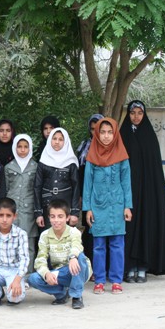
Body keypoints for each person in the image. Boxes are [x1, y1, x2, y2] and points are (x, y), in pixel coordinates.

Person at [120, 100, 165, 282]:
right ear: (128, 114)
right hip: (127, 192)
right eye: (132, 113)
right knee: (128, 227)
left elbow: (154, 169)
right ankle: (129, 267)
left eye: (139, 113)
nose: (136, 116)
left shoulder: (149, 136)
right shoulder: (122, 136)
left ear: (144, 114)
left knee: (145, 225)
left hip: (147, 192)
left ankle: (142, 267)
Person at [83, 118, 133, 295]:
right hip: (98, 206)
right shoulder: (92, 155)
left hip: (117, 206)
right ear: (97, 134)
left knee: (117, 244)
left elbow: (126, 182)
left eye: (110, 132)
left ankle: (116, 280)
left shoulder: (122, 155)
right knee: (98, 246)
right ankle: (99, 280)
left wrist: (127, 206)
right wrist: (88, 209)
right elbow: (87, 184)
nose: (106, 136)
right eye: (102, 132)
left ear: (115, 134)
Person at [28, 200, 91, 309]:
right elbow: (40, 260)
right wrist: (47, 274)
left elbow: (77, 246)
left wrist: (73, 257)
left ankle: (76, 296)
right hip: (60, 273)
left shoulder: (74, 232)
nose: (56, 220)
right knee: (33, 278)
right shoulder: (45, 235)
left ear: (67, 218)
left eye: (60, 216)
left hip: (79, 271)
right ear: (49, 217)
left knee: (80, 256)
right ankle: (62, 293)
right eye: (53, 217)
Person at [34, 127, 80, 231]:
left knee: (65, 237)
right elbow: (37, 187)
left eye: (60, 139)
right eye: (54, 138)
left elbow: (76, 187)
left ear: (66, 141)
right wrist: (38, 213)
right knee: (47, 237)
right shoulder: (43, 161)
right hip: (47, 207)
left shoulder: (71, 163)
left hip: (66, 208)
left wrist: (75, 212)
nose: (57, 142)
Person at [4, 134, 38, 274]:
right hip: (12, 209)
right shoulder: (9, 167)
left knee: (28, 242)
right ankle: (12, 273)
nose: (22, 150)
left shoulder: (35, 166)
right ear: (14, 148)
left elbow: (36, 188)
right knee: (12, 241)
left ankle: (28, 273)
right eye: (19, 147)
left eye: (25, 147)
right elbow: (7, 188)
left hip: (29, 209)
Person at [75, 114, 104, 270]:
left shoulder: (111, 148)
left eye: (99, 128)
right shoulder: (84, 147)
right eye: (93, 129)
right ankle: (89, 266)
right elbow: (79, 173)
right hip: (88, 195)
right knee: (90, 229)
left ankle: (102, 267)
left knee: (104, 230)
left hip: (105, 196)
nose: (96, 132)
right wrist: (80, 195)